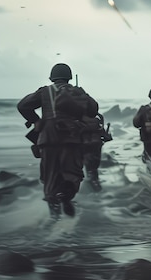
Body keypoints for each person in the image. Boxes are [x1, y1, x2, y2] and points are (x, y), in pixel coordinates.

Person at [17, 63, 99, 219]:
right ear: (69, 77)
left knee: (49, 178)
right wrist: (81, 94)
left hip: (48, 139)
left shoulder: (44, 92)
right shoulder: (77, 92)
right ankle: (66, 195)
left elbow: (22, 106)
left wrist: (36, 120)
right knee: (73, 174)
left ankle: (54, 218)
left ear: (52, 77)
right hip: (71, 138)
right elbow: (93, 110)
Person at [81, 113, 111, 191]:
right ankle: (95, 183)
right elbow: (104, 135)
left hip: (84, 145)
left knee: (88, 166)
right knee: (94, 166)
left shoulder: (77, 121)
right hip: (96, 145)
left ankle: (91, 183)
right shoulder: (97, 120)